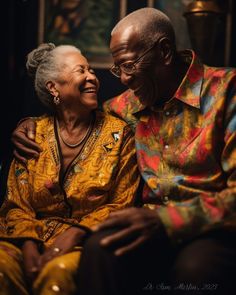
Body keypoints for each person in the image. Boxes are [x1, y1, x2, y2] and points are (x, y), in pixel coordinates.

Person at [10, 7, 236, 295]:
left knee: (195, 269)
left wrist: (165, 220)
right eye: (118, 68)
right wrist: (28, 124)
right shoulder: (125, 107)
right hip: (146, 228)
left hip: (210, 229)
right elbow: (76, 117)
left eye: (128, 65)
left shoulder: (226, 92)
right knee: (99, 249)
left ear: (164, 52)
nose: (123, 79)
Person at [0, 43, 140, 295]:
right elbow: (16, 205)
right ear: (53, 87)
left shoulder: (119, 135)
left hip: (85, 243)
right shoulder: (33, 135)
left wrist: (75, 233)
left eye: (91, 70)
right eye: (81, 70)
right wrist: (29, 245)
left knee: (59, 273)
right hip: (24, 239)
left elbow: (122, 202)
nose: (92, 77)